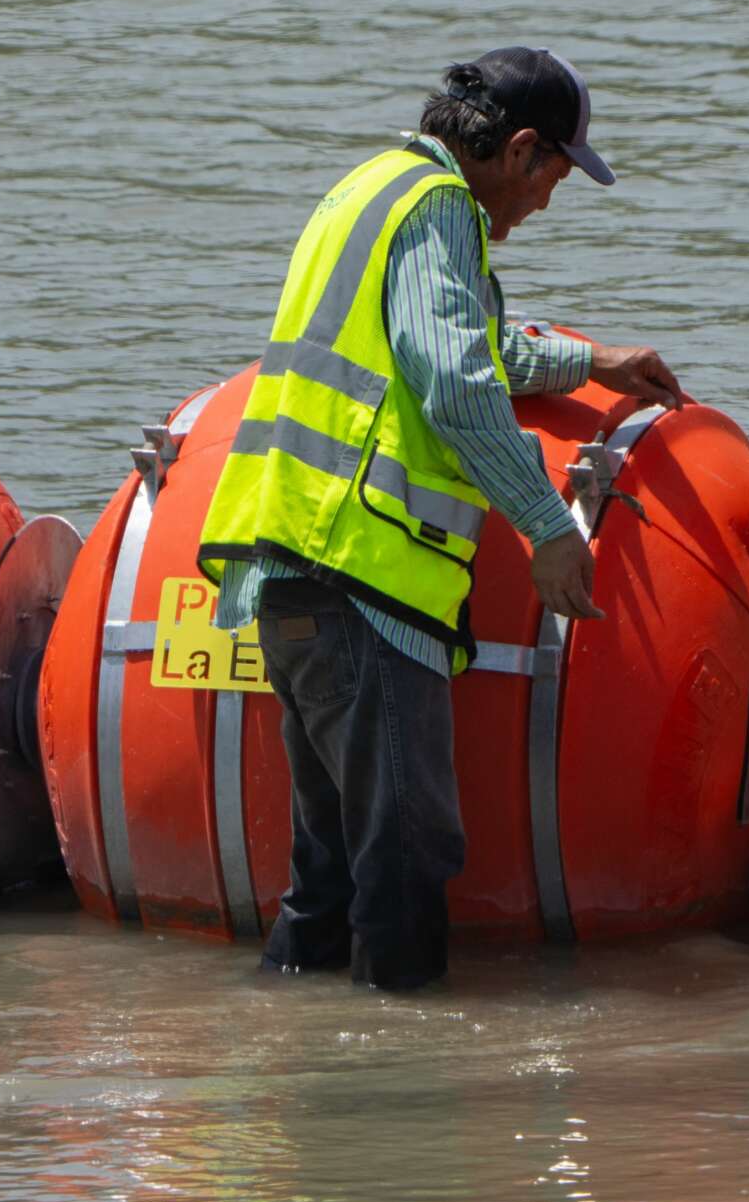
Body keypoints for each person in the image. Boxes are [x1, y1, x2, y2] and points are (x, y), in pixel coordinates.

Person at [198, 48, 688, 992]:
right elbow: (456, 381)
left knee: (331, 872)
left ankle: (295, 1062)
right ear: (519, 149)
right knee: (406, 857)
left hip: (284, 561)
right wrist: (548, 526)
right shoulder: (441, 210)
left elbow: (454, 338)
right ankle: (396, 1098)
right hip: (364, 578)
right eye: (554, 177)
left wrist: (588, 361)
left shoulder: (368, 188)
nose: (545, 204)